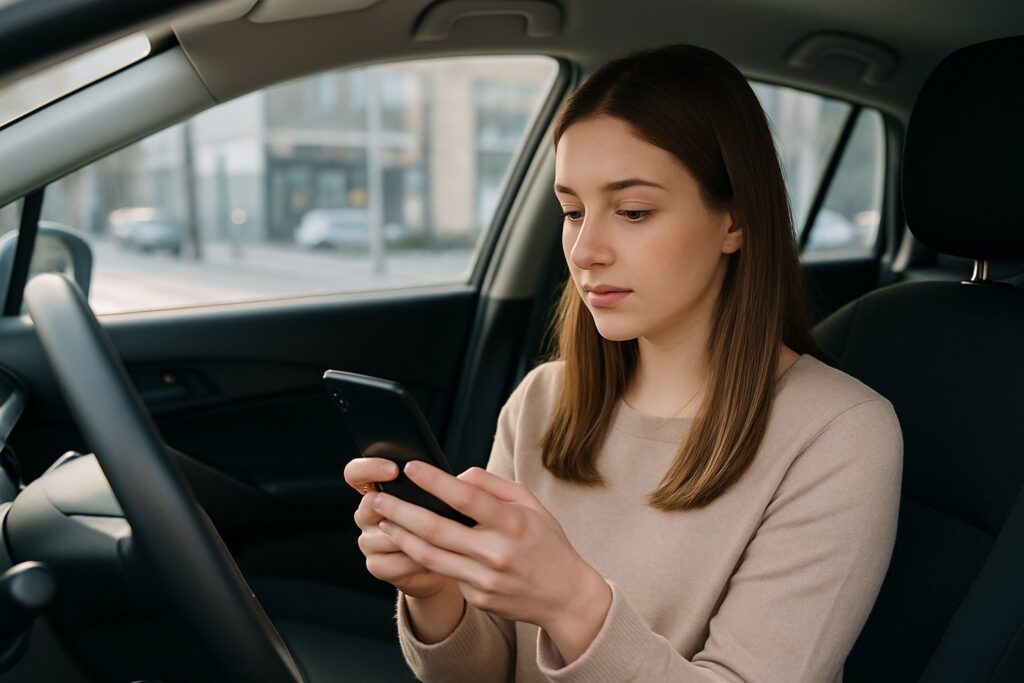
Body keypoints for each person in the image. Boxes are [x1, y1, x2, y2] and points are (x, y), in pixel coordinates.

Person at [344, 43, 902, 683]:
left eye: (633, 211)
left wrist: (571, 602)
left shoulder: (840, 434)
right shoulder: (542, 401)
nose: (585, 250)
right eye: (573, 211)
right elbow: (488, 672)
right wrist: (434, 590)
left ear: (736, 220)